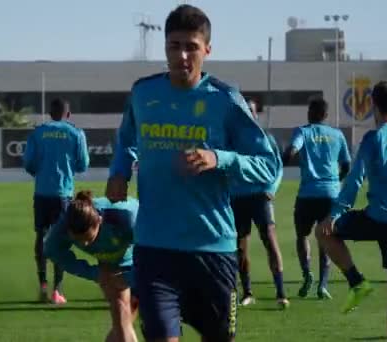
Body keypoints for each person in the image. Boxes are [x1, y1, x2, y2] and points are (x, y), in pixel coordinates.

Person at [106, 5, 279, 341]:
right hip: (156, 246)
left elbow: (268, 166)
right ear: (165, 48)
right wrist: (119, 170)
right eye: (174, 46)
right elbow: (128, 137)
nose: (182, 55)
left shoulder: (225, 100)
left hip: (212, 250)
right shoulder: (143, 93)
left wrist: (220, 159)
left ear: (207, 50)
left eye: (191, 47)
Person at [317, 81, 387, 342]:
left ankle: (356, 281)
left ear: (372, 104)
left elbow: (354, 180)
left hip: (378, 217)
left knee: (323, 232)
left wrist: (335, 213)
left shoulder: (374, 138)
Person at [44, 190, 139, 342]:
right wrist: (94, 273)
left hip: (142, 257)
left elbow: (159, 256)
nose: (85, 245)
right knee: (121, 313)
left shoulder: (128, 218)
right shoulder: (66, 224)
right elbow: (52, 251)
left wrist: (129, 277)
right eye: (78, 241)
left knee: (149, 318)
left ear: (99, 221)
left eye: (89, 239)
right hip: (111, 264)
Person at [283, 97, 351, 300]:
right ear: (326, 115)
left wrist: (281, 162)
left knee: (302, 236)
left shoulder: (303, 131)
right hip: (330, 194)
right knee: (327, 237)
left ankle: (307, 274)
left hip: (307, 195)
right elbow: (346, 164)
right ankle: (323, 285)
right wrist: (335, 181)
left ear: (310, 113)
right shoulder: (337, 135)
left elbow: (291, 151)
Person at [23, 98, 90, 304]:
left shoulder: (38, 132)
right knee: (61, 238)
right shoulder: (76, 133)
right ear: (68, 114)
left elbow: (28, 163)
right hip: (63, 194)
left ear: (50, 114)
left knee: (40, 235)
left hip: (42, 192)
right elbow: (83, 164)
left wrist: (41, 173)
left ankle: (43, 284)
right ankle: (57, 290)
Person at [231, 98, 287, 308]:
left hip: (260, 197)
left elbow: (278, 166)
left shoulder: (265, 138)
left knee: (270, 241)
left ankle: (281, 292)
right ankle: (247, 292)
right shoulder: (232, 138)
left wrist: (271, 189)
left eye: (251, 111)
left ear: (256, 114)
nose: (248, 115)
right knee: (240, 247)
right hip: (238, 197)